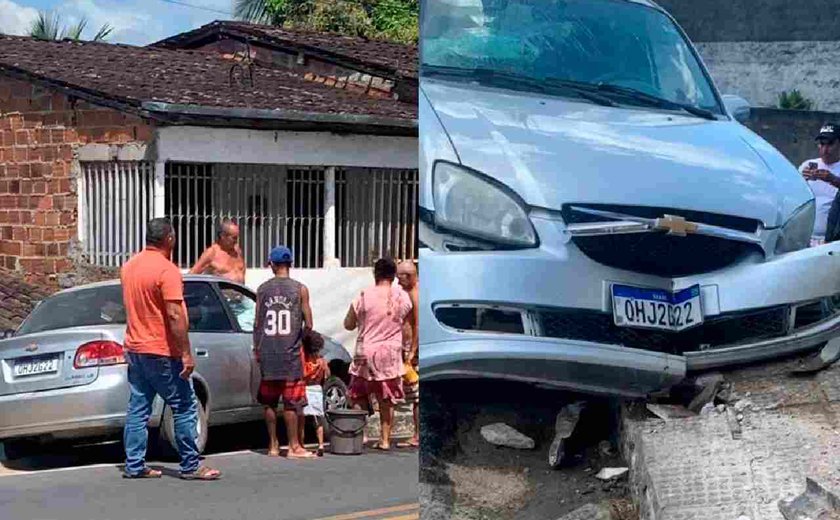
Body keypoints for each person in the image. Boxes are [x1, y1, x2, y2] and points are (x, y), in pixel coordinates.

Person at [120, 218, 221, 480]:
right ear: (170, 239)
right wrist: (185, 352)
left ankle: (134, 464)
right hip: (162, 350)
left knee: (138, 408)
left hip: (135, 348)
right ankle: (191, 464)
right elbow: (175, 315)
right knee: (185, 405)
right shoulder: (167, 271)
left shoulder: (129, 267)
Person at [344, 258, 413, 451]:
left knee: (357, 394)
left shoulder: (364, 295)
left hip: (364, 351)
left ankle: (362, 434)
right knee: (387, 398)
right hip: (389, 353)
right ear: (393, 276)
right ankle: (384, 440)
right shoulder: (402, 297)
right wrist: (407, 352)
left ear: (375, 274)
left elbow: (348, 324)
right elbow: (407, 327)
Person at [253, 245, 316, 459]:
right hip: (290, 354)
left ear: (271, 264)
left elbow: (257, 323)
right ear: (290, 264)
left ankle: (272, 445)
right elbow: (309, 323)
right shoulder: (300, 289)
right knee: (291, 402)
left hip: (268, 352)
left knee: (269, 402)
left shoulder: (262, 290)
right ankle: (294, 447)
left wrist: (258, 349)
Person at [800, 123, 840, 245]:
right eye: (822, 144)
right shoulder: (807, 164)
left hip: (831, 241)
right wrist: (800, 181)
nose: (825, 150)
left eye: (830, 144)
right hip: (804, 238)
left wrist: (833, 180)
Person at [395, 261, 419, 449]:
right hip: (406, 348)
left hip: (413, 350)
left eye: (400, 278)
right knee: (412, 393)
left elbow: (418, 324)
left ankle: (418, 435)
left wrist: (412, 351)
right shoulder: (408, 292)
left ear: (409, 276)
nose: (397, 282)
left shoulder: (415, 293)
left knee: (417, 394)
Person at [300, 329, 330, 457]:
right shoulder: (321, 361)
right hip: (317, 389)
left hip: (304, 389)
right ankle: (321, 444)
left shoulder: (303, 361)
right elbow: (327, 375)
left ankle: (300, 444)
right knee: (318, 419)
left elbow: (301, 375)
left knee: (300, 418)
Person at [190, 219, 246, 283]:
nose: (236, 241)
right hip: (223, 291)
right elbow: (193, 274)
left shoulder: (237, 251)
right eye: (234, 238)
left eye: (237, 238)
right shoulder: (212, 252)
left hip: (239, 291)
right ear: (223, 236)